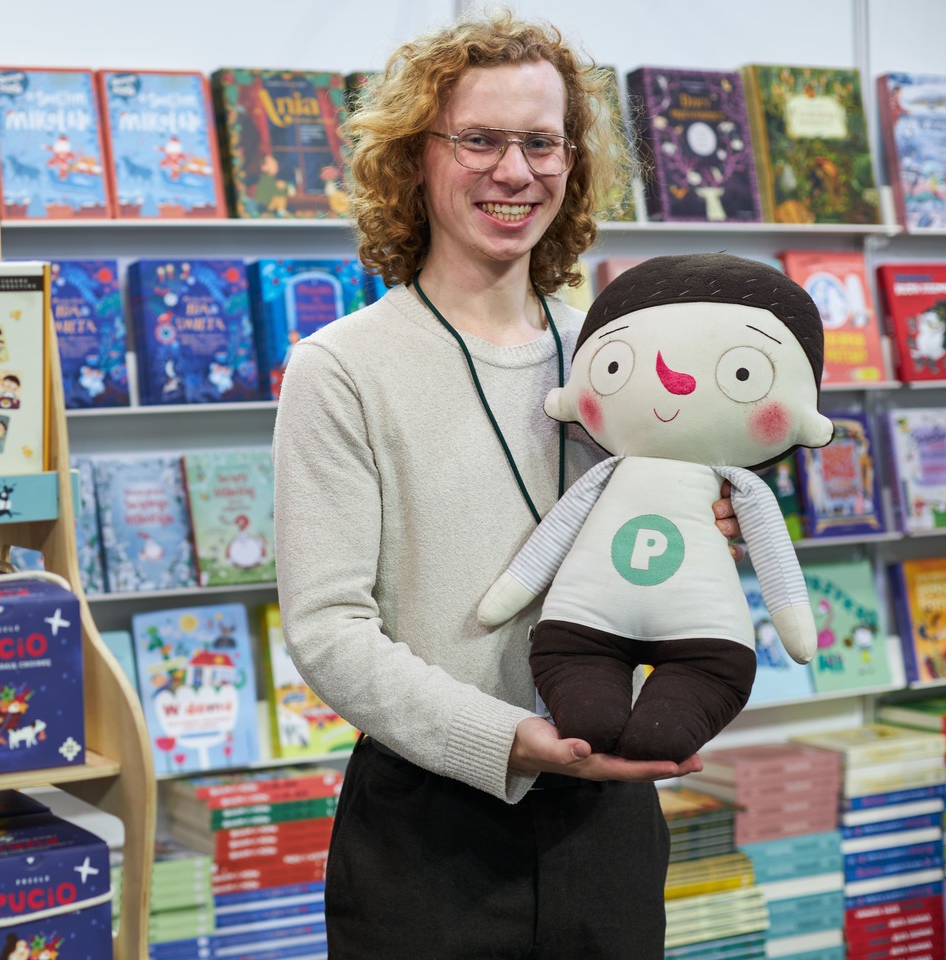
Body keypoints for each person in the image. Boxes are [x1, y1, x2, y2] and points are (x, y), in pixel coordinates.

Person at [272, 12, 741, 958]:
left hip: (607, 819)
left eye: (542, 143)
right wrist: (505, 740)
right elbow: (327, 628)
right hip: (425, 827)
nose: (515, 172)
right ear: (415, 157)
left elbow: (645, 577)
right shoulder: (342, 367)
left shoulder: (622, 359)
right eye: (479, 140)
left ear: (574, 161)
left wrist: (699, 536)